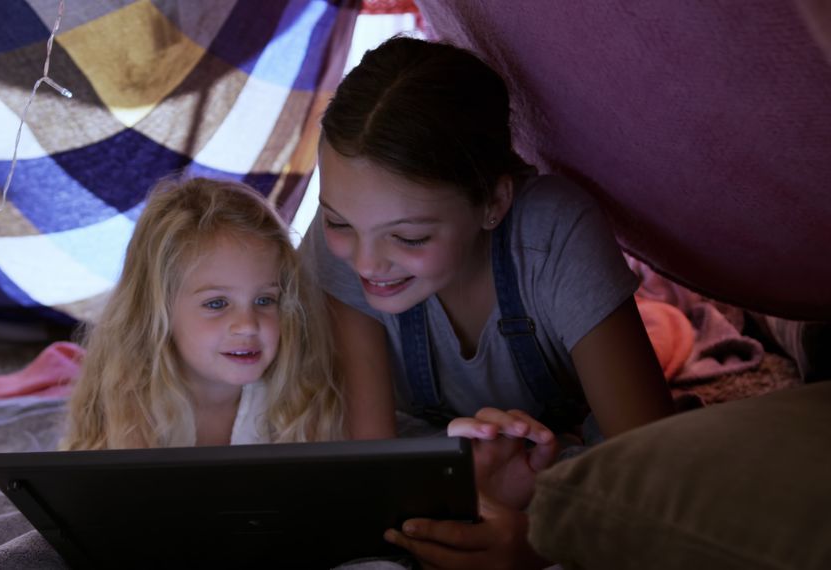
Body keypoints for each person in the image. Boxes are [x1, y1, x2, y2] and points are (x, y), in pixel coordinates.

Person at [299, 36, 676, 567]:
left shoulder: (553, 235)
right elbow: (372, 472)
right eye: (338, 223)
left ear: (494, 203)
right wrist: (465, 491)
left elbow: (653, 461)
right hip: (431, 459)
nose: (365, 263)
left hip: (559, 470)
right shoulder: (340, 246)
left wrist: (538, 538)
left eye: (408, 238)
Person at [61, 177, 344, 450]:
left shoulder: (296, 399)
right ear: (157, 311)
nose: (247, 325)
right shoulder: (130, 403)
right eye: (217, 304)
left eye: (264, 300)